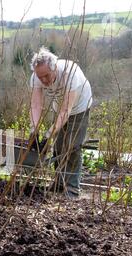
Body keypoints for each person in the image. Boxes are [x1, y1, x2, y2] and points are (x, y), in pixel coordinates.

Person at [29, 46, 93, 198]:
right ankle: (58, 184)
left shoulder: (71, 74)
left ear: (55, 67)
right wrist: (34, 130)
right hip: (59, 108)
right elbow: (36, 105)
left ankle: (71, 189)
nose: (43, 80)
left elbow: (66, 111)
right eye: (40, 77)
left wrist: (48, 134)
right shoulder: (36, 76)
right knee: (58, 147)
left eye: (46, 76)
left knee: (72, 146)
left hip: (80, 107)